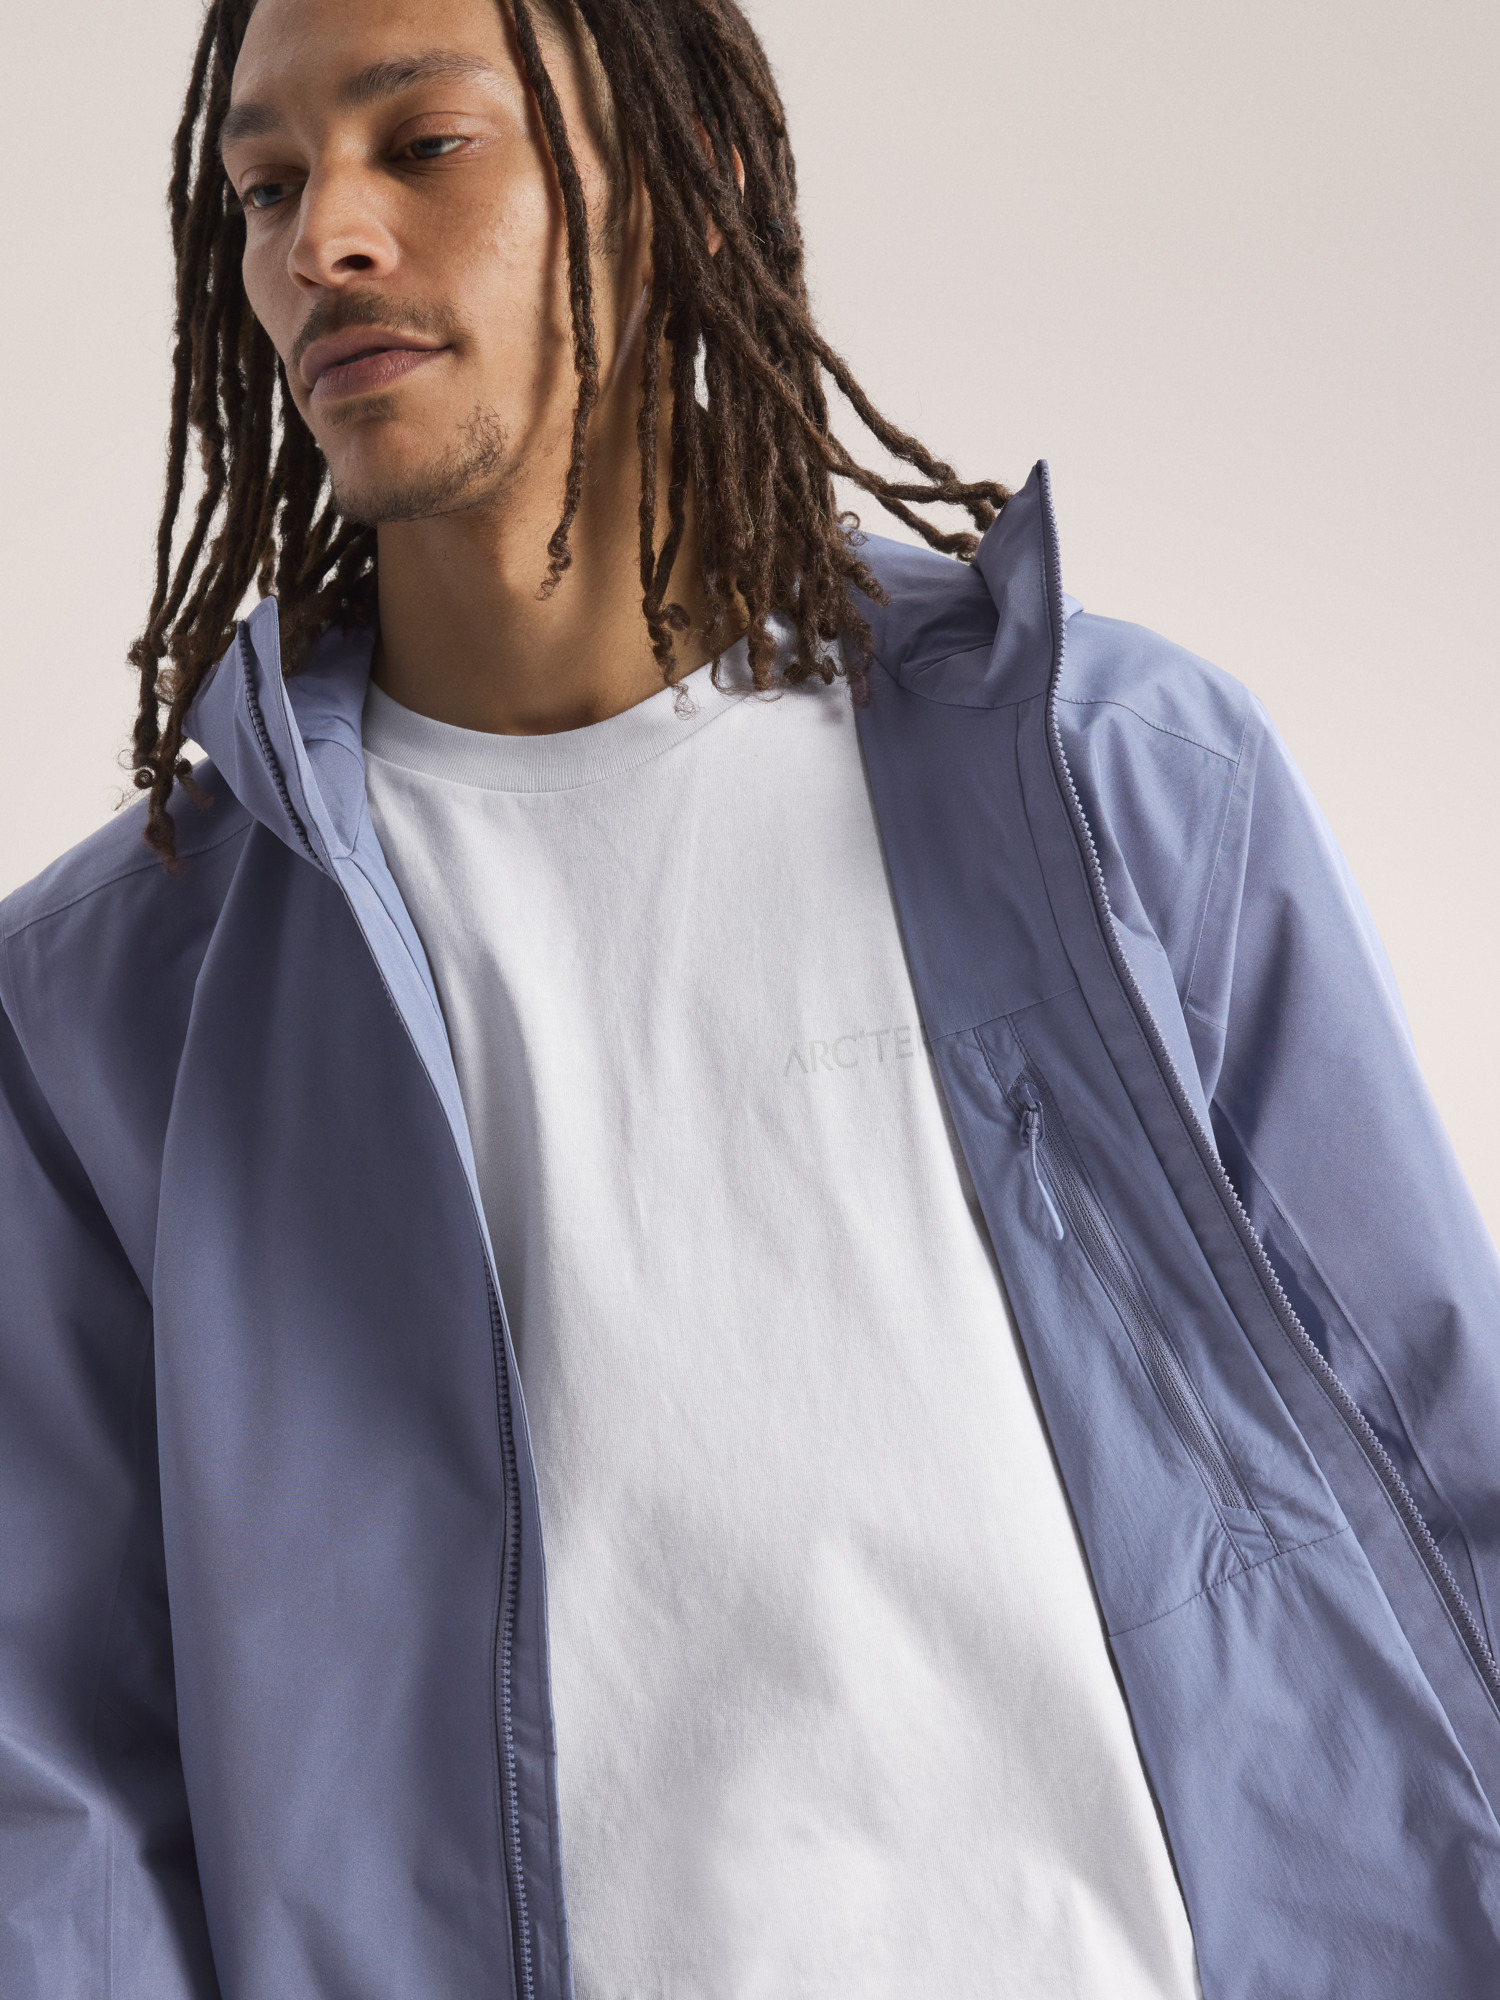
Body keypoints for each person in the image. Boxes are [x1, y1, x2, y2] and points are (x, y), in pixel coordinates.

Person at [4, 0, 1500, 1993]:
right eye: (267, 187)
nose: (320, 241)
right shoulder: (111, 1002)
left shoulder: (1107, 780)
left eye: (421, 144)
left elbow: (1431, 1474)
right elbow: (63, 1800)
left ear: (683, 177)